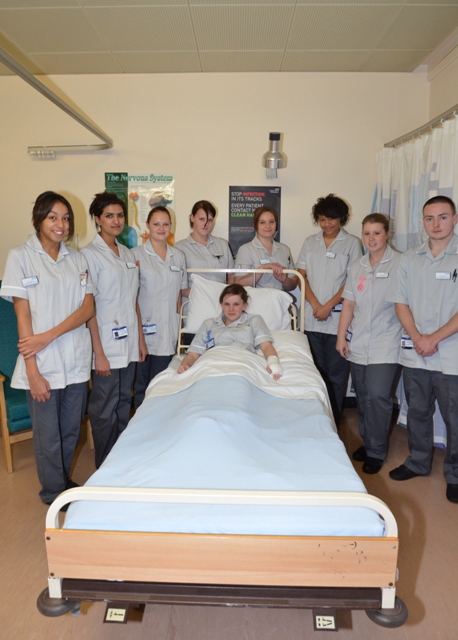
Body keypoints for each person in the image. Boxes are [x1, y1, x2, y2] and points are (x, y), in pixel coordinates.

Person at [0, 191, 95, 506]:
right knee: (48, 438)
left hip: (75, 359)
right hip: (41, 362)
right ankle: (53, 493)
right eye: (53, 217)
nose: (61, 224)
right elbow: (22, 314)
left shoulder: (77, 258)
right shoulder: (20, 256)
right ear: (39, 218)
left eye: (66, 218)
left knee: (70, 430)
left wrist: (48, 336)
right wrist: (32, 369)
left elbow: (87, 308)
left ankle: (63, 481)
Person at [387, 195, 458, 503]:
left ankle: (455, 474)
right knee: (417, 410)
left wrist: (435, 338)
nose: (436, 224)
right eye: (429, 218)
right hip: (416, 350)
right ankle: (418, 461)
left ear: (455, 219)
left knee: (454, 417)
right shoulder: (409, 258)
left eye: (443, 217)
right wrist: (418, 336)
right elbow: (399, 302)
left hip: (451, 354)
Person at [81, 192, 147, 468]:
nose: (116, 220)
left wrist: (140, 341)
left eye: (120, 215)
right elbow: (89, 308)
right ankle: (105, 468)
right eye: (109, 215)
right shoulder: (88, 255)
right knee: (104, 408)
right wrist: (99, 353)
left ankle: (120, 463)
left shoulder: (128, 253)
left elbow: (133, 300)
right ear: (97, 219)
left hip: (129, 342)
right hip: (106, 343)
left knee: (123, 402)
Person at [336, 214, 402, 474]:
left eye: (376, 233)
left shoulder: (400, 263)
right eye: (367, 233)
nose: (371, 238)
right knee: (362, 396)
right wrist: (341, 336)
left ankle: (376, 450)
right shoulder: (358, 266)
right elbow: (349, 304)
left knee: (377, 396)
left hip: (387, 341)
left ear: (387, 234)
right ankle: (368, 440)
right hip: (359, 340)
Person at [296, 194, 362, 426]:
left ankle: (333, 423)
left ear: (342, 218)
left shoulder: (352, 243)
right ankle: (314, 421)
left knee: (336, 376)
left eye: (332, 219)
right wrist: (316, 305)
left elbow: (352, 281)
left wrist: (328, 306)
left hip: (337, 321)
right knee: (314, 373)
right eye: (322, 219)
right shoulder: (310, 242)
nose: (327, 224)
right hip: (312, 319)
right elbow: (300, 277)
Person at [131, 206, 187, 408]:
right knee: (141, 387)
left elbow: (179, 295)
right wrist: (137, 335)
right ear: (147, 226)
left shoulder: (178, 256)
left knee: (161, 385)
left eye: (165, 224)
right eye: (156, 224)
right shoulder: (134, 255)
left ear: (171, 226)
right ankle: (140, 429)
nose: (161, 228)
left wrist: (180, 329)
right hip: (143, 331)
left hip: (168, 331)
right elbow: (131, 298)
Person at [177, 284, 283, 380]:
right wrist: (185, 365)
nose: (231, 309)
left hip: (243, 362)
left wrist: (273, 362)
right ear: (221, 305)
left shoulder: (254, 320)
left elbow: (266, 346)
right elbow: (193, 354)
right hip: (212, 363)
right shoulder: (208, 324)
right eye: (227, 304)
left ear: (244, 305)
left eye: (236, 304)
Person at [175, 200, 235, 293]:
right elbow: (176, 285)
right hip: (193, 303)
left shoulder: (223, 245)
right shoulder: (179, 248)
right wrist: (204, 295)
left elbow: (231, 276)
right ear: (192, 218)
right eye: (202, 219)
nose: (206, 224)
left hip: (220, 302)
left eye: (210, 220)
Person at [235, 206, 297, 291]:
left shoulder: (285, 249)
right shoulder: (245, 250)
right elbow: (238, 283)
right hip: (256, 301)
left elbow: (293, 285)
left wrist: (285, 280)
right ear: (255, 225)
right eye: (262, 222)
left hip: (279, 301)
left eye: (271, 222)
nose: (268, 226)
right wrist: (261, 270)